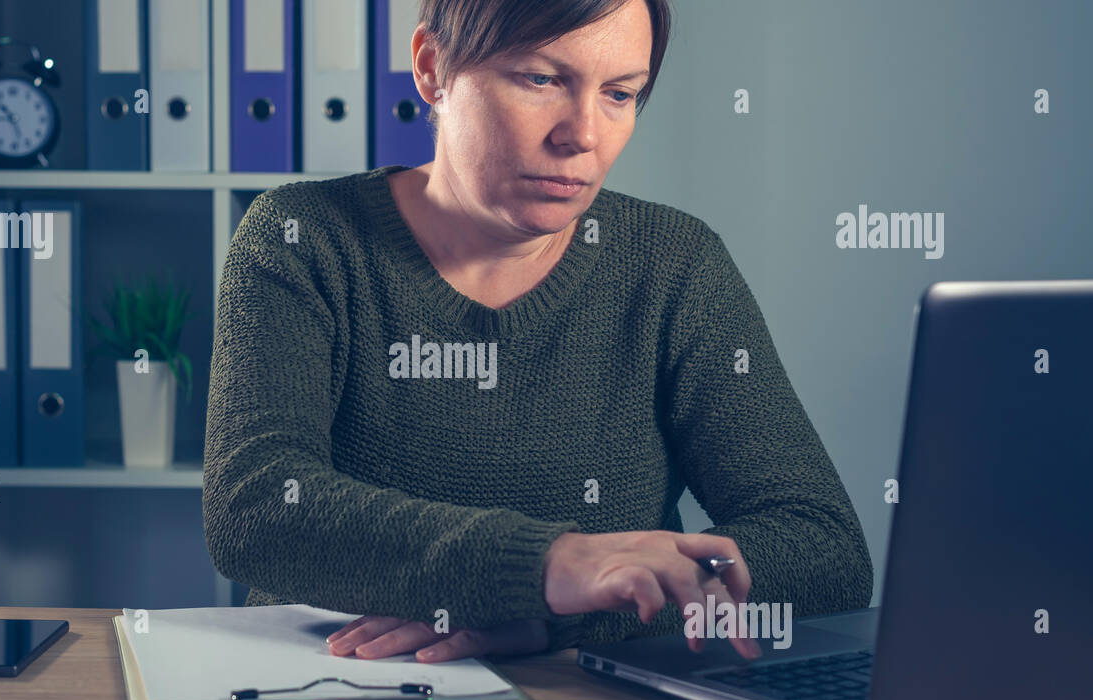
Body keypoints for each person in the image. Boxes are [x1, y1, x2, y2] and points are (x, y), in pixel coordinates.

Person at [204, 0, 872, 665]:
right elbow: (256, 506)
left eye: (619, 93)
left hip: (584, 699)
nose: (581, 134)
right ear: (433, 69)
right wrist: (549, 567)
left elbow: (821, 548)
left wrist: (560, 616)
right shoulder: (300, 238)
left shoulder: (675, 265)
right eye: (541, 79)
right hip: (339, 685)